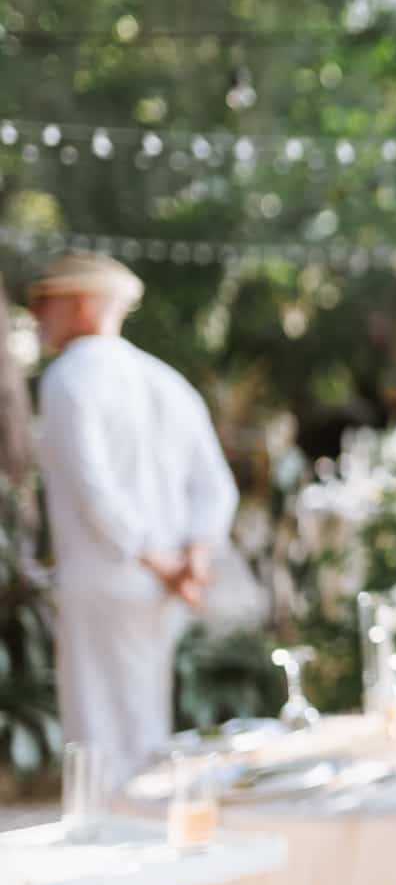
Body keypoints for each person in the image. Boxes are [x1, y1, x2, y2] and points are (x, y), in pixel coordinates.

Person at [28, 252, 240, 783]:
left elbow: (92, 489)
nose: (37, 319)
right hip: (158, 587)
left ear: (80, 304)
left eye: (44, 305)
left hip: (106, 579)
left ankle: (113, 845)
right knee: (146, 727)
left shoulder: (67, 379)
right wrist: (191, 559)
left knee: (98, 734)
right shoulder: (164, 380)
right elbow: (214, 487)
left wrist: (164, 563)